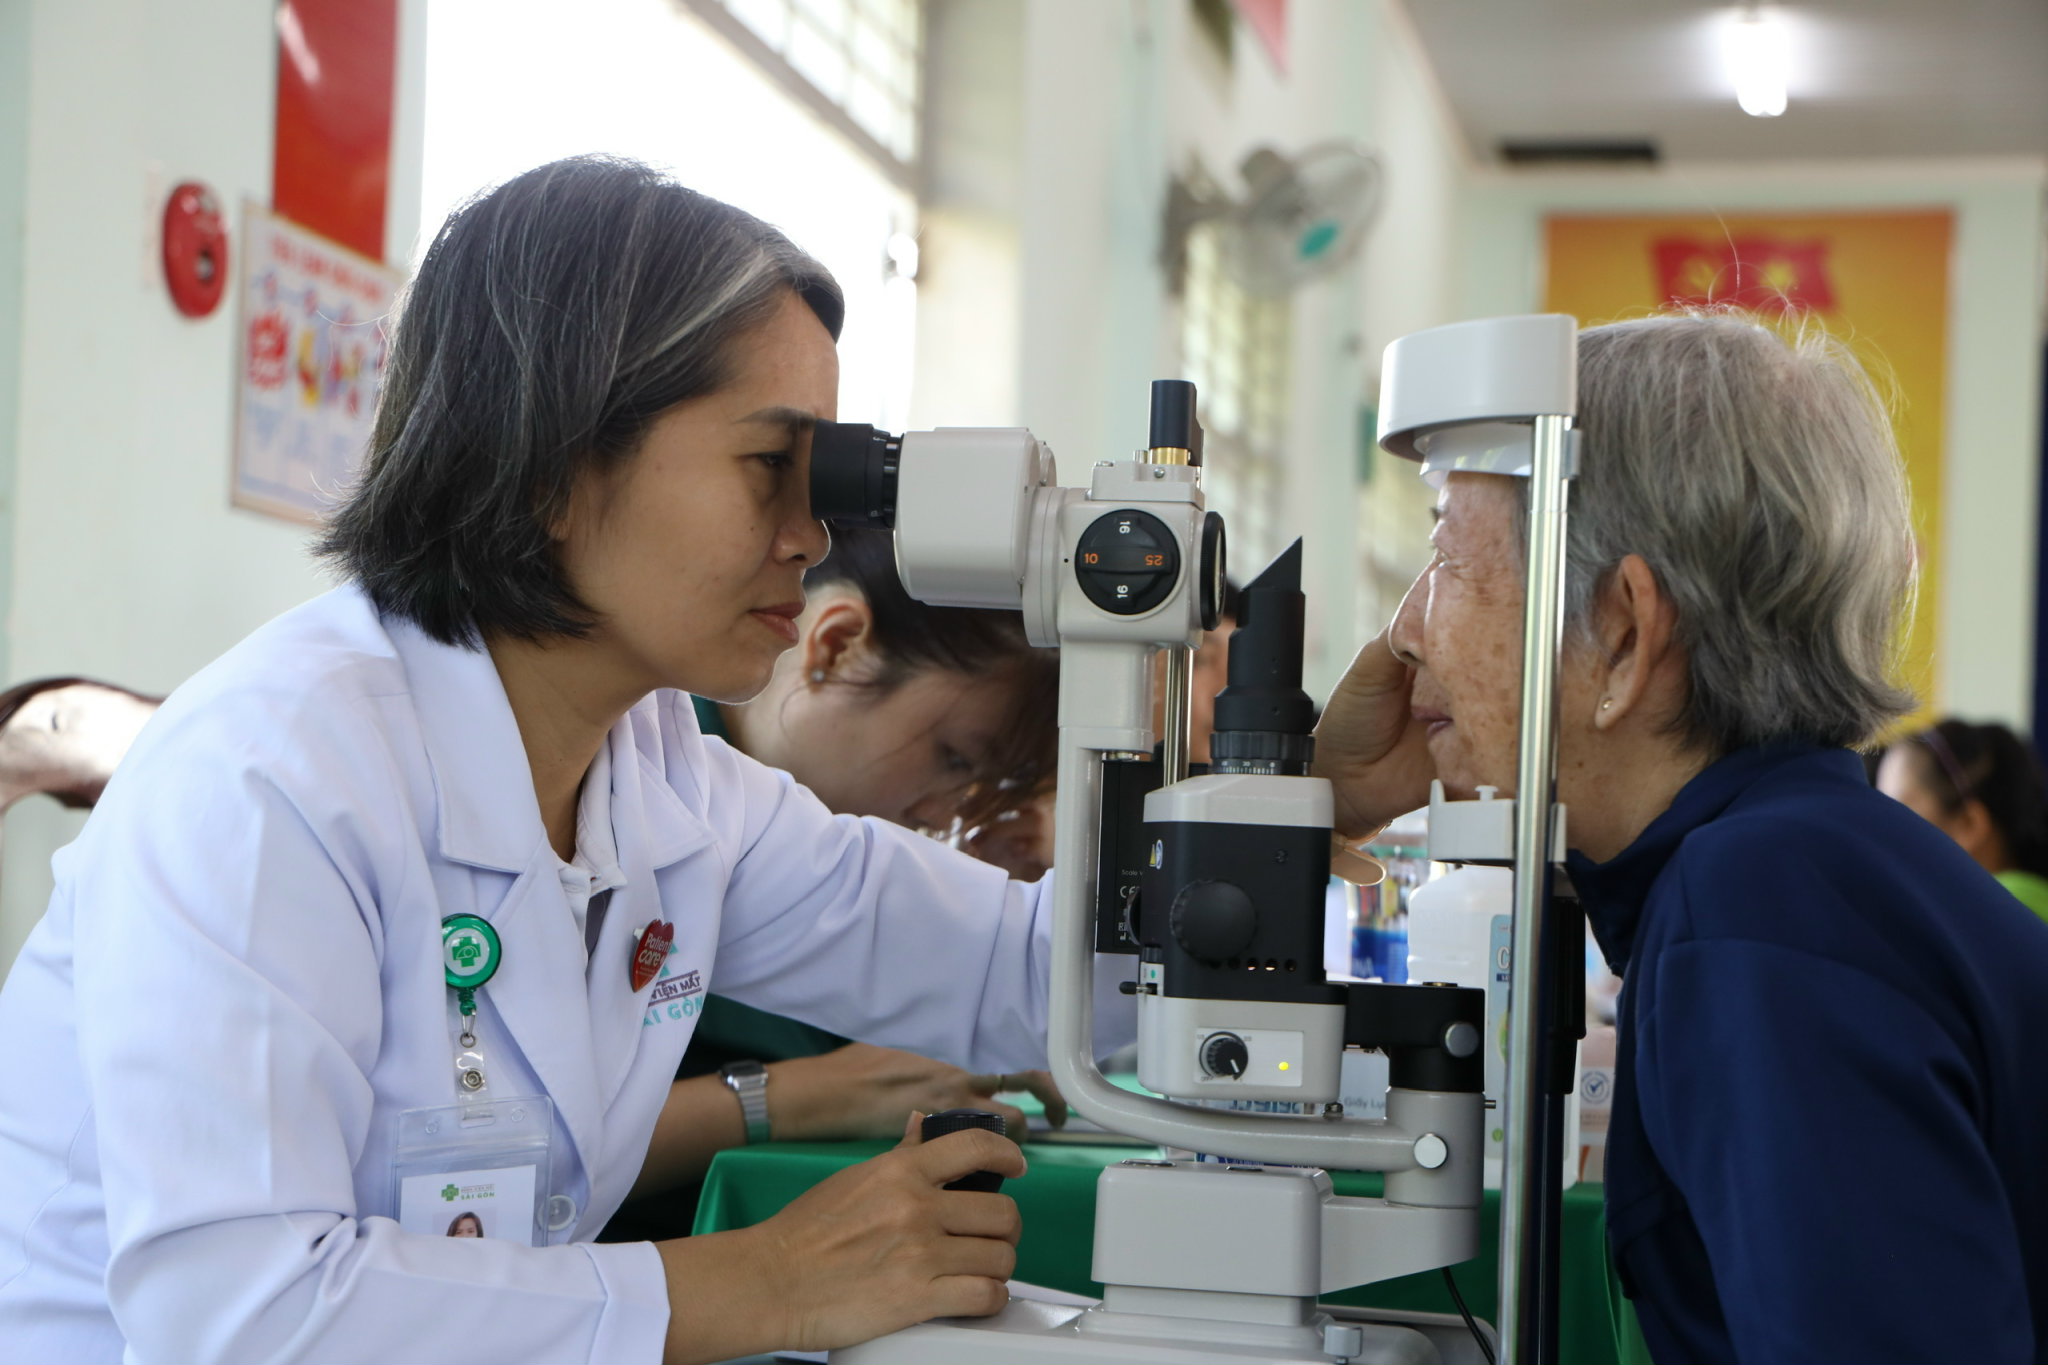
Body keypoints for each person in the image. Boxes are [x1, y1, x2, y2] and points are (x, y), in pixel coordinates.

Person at [0, 156, 1128, 1365]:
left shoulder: (665, 784)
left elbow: (1019, 972)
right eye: (770, 468)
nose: (810, 539)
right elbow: (243, 1315)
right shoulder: (269, 778)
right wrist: (771, 1278)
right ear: (549, 468)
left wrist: (1243, 817)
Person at [1313, 311, 2048, 1362]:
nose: (1405, 630)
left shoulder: (1761, 911)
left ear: (1622, 633)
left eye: (1448, 562)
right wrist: (1331, 795)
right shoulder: (1804, 867)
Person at [600, 526, 1068, 1242]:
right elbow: (494, 1151)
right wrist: (799, 1097)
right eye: (953, 757)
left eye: (984, 788)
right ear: (838, 645)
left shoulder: (792, 835)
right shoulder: (632, 790)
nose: (946, 813)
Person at [1877, 718, 2048, 923]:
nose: (1881, 833)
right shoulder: (2022, 903)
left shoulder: (1994, 910)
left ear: (1969, 824)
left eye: (1899, 813)